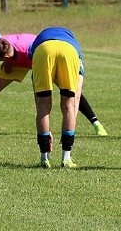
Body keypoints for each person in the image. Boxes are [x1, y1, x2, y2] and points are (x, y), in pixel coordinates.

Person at [0, 29, 108, 137]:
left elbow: (38, 76)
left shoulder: (28, 50)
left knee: (68, 91)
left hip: (40, 58)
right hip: (14, 61)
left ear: (5, 57)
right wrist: (8, 63)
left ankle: (97, 124)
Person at [30, 26, 84, 169]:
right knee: (68, 106)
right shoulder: (74, 44)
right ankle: (66, 157)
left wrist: (45, 133)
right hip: (69, 52)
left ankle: (44, 157)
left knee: (43, 107)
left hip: (43, 50)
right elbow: (77, 95)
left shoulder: (38, 40)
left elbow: (33, 77)